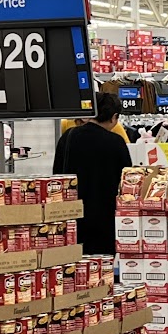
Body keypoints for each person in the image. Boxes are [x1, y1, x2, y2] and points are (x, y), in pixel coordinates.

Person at [52, 89, 132, 255]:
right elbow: (126, 182)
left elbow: (57, 174)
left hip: (73, 216)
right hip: (105, 218)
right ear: (114, 117)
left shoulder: (68, 137)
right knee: (102, 264)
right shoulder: (116, 142)